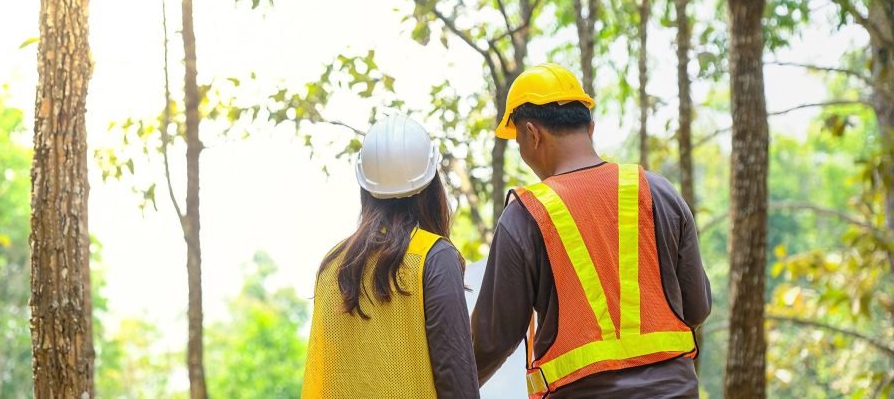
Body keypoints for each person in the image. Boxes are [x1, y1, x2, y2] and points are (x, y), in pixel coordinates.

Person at [471, 63, 712, 398]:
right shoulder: (658, 193)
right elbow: (697, 309)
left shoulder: (525, 216)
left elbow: (491, 342)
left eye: (518, 141)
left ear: (531, 134)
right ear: (590, 128)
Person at [302, 115, 480, 399]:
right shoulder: (434, 257)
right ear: (432, 185)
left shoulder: (333, 265)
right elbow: (455, 377)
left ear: (365, 188)